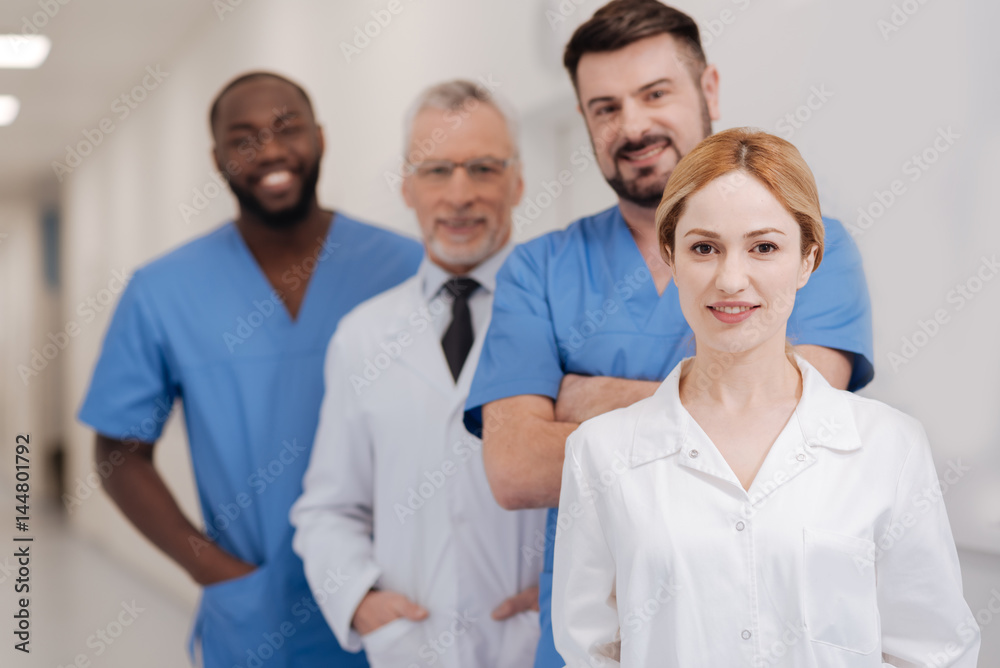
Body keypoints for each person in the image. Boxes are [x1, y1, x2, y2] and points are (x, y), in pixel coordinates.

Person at [463, 2, 874, 665]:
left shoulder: (804, 245)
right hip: (590, 643)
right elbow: (513, 468)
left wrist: (590, 402)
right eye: (605, 107)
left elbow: (792, 433)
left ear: (708, 89)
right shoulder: (539, 269)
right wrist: (717, 408)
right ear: (585, 122)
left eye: (655, 93)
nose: (633, 125)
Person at [551, 127, 979, 667]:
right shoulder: (600, 453)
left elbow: (934, 653)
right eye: (704, 248)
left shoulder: (888, 449)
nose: (732, 279)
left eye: (764, 247)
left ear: (807, 260)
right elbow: (591, 651)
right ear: (671, 256)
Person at [77, 72, 423, 667]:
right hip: (259, 612)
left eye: (287, 128)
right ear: (216, 159)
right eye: (243, 138)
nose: (269, 150)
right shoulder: (165, 290)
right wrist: (215, 572)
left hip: (403, 597)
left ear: (320, 137)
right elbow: (118, 453)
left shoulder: (406, 267)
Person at [291, 80, 547, 668]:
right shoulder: (362, 336)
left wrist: (568, 592)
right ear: (407, 186)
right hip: (413, 647)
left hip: (537, 645)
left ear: (518, 181)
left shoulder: (563, 318)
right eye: (435, 171)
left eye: (483, 167)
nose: (459, 194)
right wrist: (360, 602)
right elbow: (328, 507)